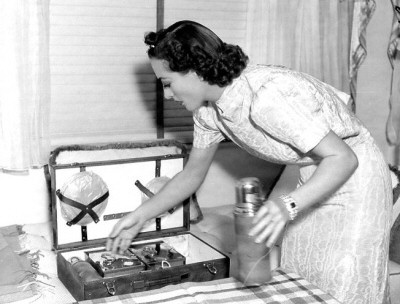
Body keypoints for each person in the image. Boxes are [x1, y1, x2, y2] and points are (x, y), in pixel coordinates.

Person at [106, 20, 392, 304]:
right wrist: (140, 216)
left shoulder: (266, 97)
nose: (167, 95)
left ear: (194, 70)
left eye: (168, 84)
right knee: (306, 280)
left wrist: (286, 205)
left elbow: (343, 158)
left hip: (353, 179)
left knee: (343, 285)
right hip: (313, 177)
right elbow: (191, 175)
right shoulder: (208, 112)